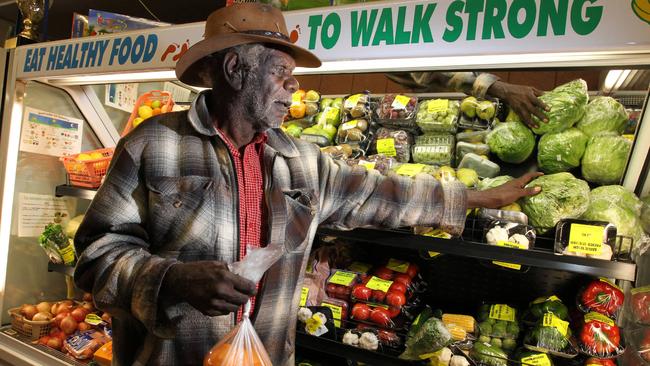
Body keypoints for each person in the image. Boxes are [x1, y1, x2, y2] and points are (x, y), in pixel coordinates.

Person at [73, 4, 541, 365]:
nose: (294, 87)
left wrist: (481, 197)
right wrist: (171, 279)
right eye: (281, 74)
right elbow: (96, 257)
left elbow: (379, 194)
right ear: (236, 70)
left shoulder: (300, 159)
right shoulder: (154, 143)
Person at [387, 72, 549, 128]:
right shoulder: (392, 24)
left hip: (473, 102)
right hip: (439, 109)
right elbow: (426, 71)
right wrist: (501, 89)